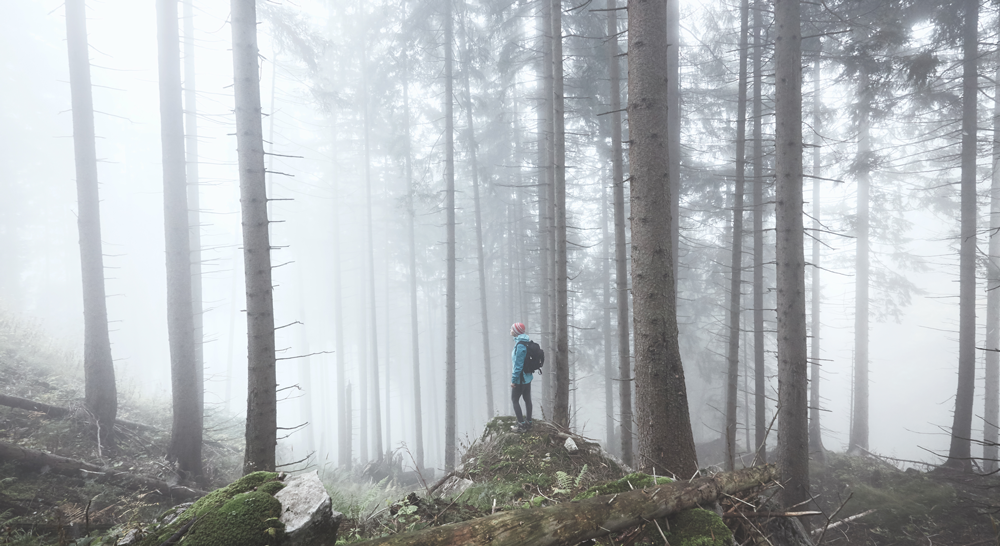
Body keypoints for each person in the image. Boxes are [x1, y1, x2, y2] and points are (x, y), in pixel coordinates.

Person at [510, 322, 533, 432]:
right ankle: (529, 422)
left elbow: (518, 366)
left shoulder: (520, 346)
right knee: (527, 399)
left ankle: (521, 425)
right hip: (527, 378)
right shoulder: (526, 342)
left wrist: (514, 380)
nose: (510, 330)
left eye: (512, 329)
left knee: (515, 400)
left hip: (520, 379)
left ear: (516, 332)